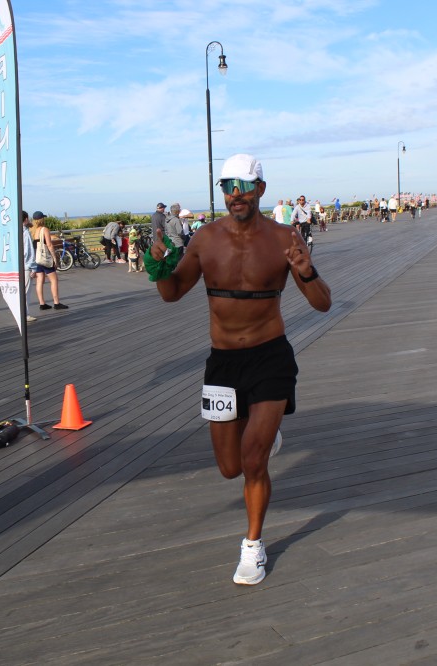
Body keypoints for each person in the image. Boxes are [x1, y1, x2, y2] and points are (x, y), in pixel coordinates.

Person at [147, 153, 331, 585]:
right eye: (228, 187)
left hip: (271, 358)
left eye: (244, 186)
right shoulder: (205, 239)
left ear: (260, 189)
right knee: (230, 467)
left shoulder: (285, 237)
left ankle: (253, 546)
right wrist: (159, 267)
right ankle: (265, 439)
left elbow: (323, 303)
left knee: (252, 461)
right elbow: (173, 293)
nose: (236, 195)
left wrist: (306, 272)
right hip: (223, 363)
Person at [30, 211, 68, 311]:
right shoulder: (44, 229)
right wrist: (55, 258)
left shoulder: (33, 231)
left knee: (39, 281)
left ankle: (42, 303)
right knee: (54, 280)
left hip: (37, 259)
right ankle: (56, 303)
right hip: (45, 259)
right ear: (42, 219)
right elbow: (49, 245)